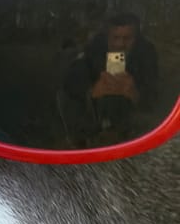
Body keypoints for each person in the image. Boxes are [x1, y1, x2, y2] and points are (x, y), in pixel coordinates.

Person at [60, 13, 160, 146]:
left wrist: (136, 94)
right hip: (93, 128)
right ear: (107, 37)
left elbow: (157, 96)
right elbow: (68, 86)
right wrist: (92, 93)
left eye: (127, 38)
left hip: (133, 135)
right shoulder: (91, 53)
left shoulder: (146, 55)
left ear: (136, 39)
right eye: (115, 38)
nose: (120, 44)